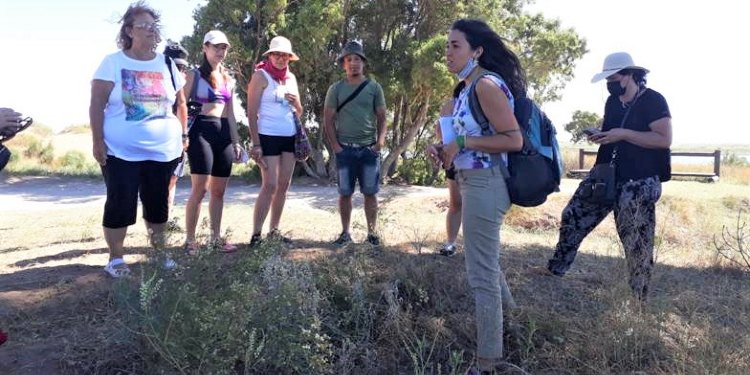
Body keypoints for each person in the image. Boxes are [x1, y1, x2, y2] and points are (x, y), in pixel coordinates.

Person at [546, 52, 672, 300]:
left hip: (639, 180)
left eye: (612, 78)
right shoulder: (613, 102)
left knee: (635, 238)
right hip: (606, 174)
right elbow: (611, 131)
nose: (609, 84)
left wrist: (623, 134)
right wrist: (601, 134)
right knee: (573, 214)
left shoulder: (654, 100)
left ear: (629, 75)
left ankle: (639, 297)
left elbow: (663, 139)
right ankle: (555, 269)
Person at [439, 19, 524, 373]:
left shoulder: (486, 85)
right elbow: (467, 139)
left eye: (455, 45)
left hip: (487, 184)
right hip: (472, 181)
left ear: (477, 51)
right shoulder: (465, 89)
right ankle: (517, 327)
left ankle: (487, 363)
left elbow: (513, 139)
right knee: (487, 264)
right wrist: (445, 147)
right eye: (447, 46)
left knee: (481, 275)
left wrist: (462, 142)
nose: (448, 52)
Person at [90, 1, 187, 278]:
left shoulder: (167, 64)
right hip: (121, 151)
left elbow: (180, 103)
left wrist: (182, 135)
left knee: (158, 204)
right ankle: (116, 258)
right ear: (130, 31)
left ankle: (160, 254)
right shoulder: (113, 62)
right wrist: (97, 141)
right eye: (144, 26)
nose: (150, 31)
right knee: (120, 202)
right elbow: (96, 103)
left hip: (162, 152)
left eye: (153, 26)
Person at [183, 30, 242, 253]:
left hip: (223, 133)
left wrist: (235, 141)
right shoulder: (193, 75)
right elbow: (180, 106)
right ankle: (190, 240)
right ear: (204, 48)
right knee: (200, 189)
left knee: (219, 191)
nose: (220, 51)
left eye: (224, 47)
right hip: (200, 132)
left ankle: (215, 238)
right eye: (216, 47)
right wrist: (183, 135)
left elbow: (231, 114)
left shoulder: (228, 79)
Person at [323, 40, 387, 247]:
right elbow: (328, 120)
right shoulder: (336, 89)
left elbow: (382, 118)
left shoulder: (374, 87)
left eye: (357, 59)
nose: (353, 63)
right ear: (344, 64)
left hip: (368, 150)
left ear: (363, 63)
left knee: (370, 193)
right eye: (349, 59)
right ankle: (345, 233)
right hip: (345, 150)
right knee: (345, 194)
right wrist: (336, 147)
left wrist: (379, 143)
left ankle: (372, 234)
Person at [246, 36, 303, 248]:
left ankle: (274, 231)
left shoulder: (291, 79)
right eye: (277, 54)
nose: (280, 59)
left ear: (289, 58)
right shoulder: (260, 76)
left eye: (285, 55)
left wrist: (296, 102)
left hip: (289, 136)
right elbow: (251, 113)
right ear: (270, 56)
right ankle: (256, 235)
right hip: (267, 136)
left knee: (283, 185)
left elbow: (299, 111)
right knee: (269, 185)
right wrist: (255, 143)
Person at [428, 88, 464, 257]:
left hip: (476, 162)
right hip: (454, 159)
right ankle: (450, 243)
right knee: (456, 203)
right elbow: (440, 133)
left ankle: (458, 244)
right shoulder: (451, 105)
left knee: (463, 204)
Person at [163, 40, 190, 221]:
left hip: (178, 137)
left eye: (181, 68)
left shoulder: (186, 83)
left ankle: (167, 216)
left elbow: (184, 108)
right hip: (161, 136)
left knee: (173, 179)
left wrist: (184, 135)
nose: (179, 72)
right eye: (175, 67)